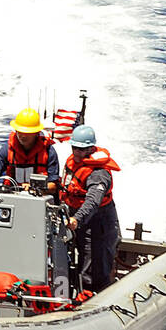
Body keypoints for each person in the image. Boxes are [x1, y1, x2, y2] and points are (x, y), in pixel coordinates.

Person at [61, 124, 120, 291]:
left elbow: (93, 201)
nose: (77, 153)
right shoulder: (73, 163)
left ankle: (93, 294)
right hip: (74, 219)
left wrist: (76, 219)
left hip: (97, 224)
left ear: (91, 148)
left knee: (93, 265)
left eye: (82, 149)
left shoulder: (98, 173)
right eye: (75, 148)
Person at [0, 107, 60, 192]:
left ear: (36, 133)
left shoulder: (49, 152)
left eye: (27, 132)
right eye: (20, 131)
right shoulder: (7, 150)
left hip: (38, 200)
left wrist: (34, 188)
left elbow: (53, 186)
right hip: (11, 197)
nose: (23, 136)